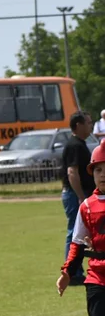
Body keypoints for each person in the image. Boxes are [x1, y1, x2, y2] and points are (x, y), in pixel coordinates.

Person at [57, 141, 105, 316]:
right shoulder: (86, 206)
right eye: (98, 170)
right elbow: (76, 242)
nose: (102, 174)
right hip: (97, 277)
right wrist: (67, 272)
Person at [61, 112, 94, 285]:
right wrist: (81, 196)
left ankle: (75, 271)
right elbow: (72, 172)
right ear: (78, 125)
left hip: (78, 194)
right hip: (75, 195)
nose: (91, 125)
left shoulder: (80, 144)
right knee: (75, 232)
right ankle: (72, 272)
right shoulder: (75, 145)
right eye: (88, 122)